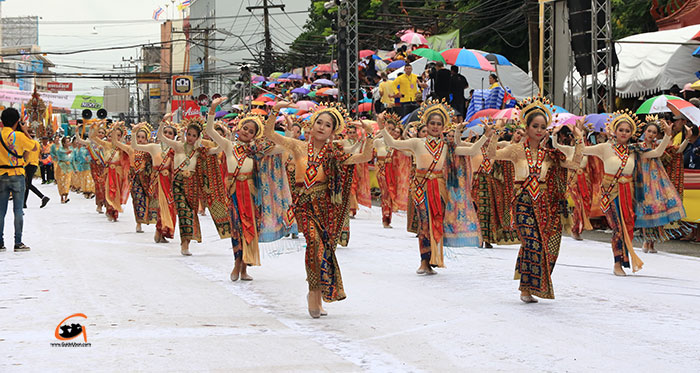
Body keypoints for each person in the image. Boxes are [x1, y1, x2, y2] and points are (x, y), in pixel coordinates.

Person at [263, 101, 375, 319]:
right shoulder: (297, 146)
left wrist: (369, 135)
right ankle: (314, 293)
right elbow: (268, 133)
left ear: (333, 131)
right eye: (319, 123)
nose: (322, 127)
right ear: (312, 125)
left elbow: (364, 157)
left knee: (323, 250)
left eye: (328, 125)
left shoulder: (335, 153)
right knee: (313, 243)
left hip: (325, 208)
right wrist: (275, 109)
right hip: (304, 205)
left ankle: (318, 292)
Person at [487, 97, 584, 303]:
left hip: (545, 204)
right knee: (531, 242)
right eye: (535, 126)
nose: (539, 130)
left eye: (542, 127)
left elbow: (575, 164)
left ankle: (526, 285)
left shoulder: (550, 154)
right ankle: (527, 287)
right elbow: (491, 154)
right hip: (522, 201)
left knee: (544, 245)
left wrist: (579, 139)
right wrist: (495, 132)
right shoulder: (515, 150)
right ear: (527, 127)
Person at [380, 100, 486, 275]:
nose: (435, 127)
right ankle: (424, 261)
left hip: (440, 187)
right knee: (424, 223)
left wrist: (487, 135)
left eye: (439, 124)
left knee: (437, 222)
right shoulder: (417, 143)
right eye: (432, 123)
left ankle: (434, 259)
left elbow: (473, 149)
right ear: (426, 124)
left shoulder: (448, 146)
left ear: (443, 126)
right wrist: (382, 126)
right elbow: (392, 143)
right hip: (421, 187)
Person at [206, 97, 295, 282]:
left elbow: (283, 146)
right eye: (245, 128)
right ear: (239, 128)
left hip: (252, 193)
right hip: (233, 194)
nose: (246, 132)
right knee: (236, 228)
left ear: (255, 135)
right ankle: (237, 263)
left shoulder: (258, 151)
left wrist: (287, 129)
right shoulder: (229, 146)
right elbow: (209, 131)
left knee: (250, 229)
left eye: (251, 131)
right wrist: (212, 109)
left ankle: (245, 266)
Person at [582, 110, 671, 276]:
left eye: (627, 131)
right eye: (621, 130)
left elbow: (657, 153)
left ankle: (623, 260)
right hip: (609, 193)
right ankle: (617, 263)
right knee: (617, 228)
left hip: (628, 193)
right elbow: (582, 151)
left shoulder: (635, 150)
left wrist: (667, 135)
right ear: (614, 131)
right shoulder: (604, 148)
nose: (624, 133)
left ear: (632, 133)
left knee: (627, 227)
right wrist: (579, 134)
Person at [130, 117, 177, 243]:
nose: (167, 135)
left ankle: (163, 231)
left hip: (170, 182)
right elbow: (135, 145)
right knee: (161, 207)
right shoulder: (153, 147)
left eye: (170, 133)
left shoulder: (175, 149)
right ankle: (159, 230)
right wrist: (134, 132)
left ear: (174, 137)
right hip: (157, 182)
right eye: (165, 132)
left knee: (170, 207)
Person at [0, 107, 36, 252]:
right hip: (17, 174)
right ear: (17, 122)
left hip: (1, 174)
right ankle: (18, 242)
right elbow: (34, 147)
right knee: (18, 210)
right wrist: (25, 130)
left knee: (1, 211)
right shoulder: (19, 137)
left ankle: (0, 242)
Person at [113, 124, 158, 234]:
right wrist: (114, 129)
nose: (141, 140)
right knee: (138, 200)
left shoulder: (150, 149)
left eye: (143, 137)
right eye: (139, 137)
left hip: (148, 178)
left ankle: (155, 221)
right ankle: (139, 222)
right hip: (135, 178)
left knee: (151, 199)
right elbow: (115, 142)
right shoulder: (131, 148)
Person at [23, 130, 49, 208]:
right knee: (27, 184)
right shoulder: (37, 144)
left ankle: (43, 197)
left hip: (29, 164)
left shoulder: (28, 143)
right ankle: (24, 203)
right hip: (34, 164)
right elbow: (40, 154)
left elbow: (26, 155)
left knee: (28, 184)